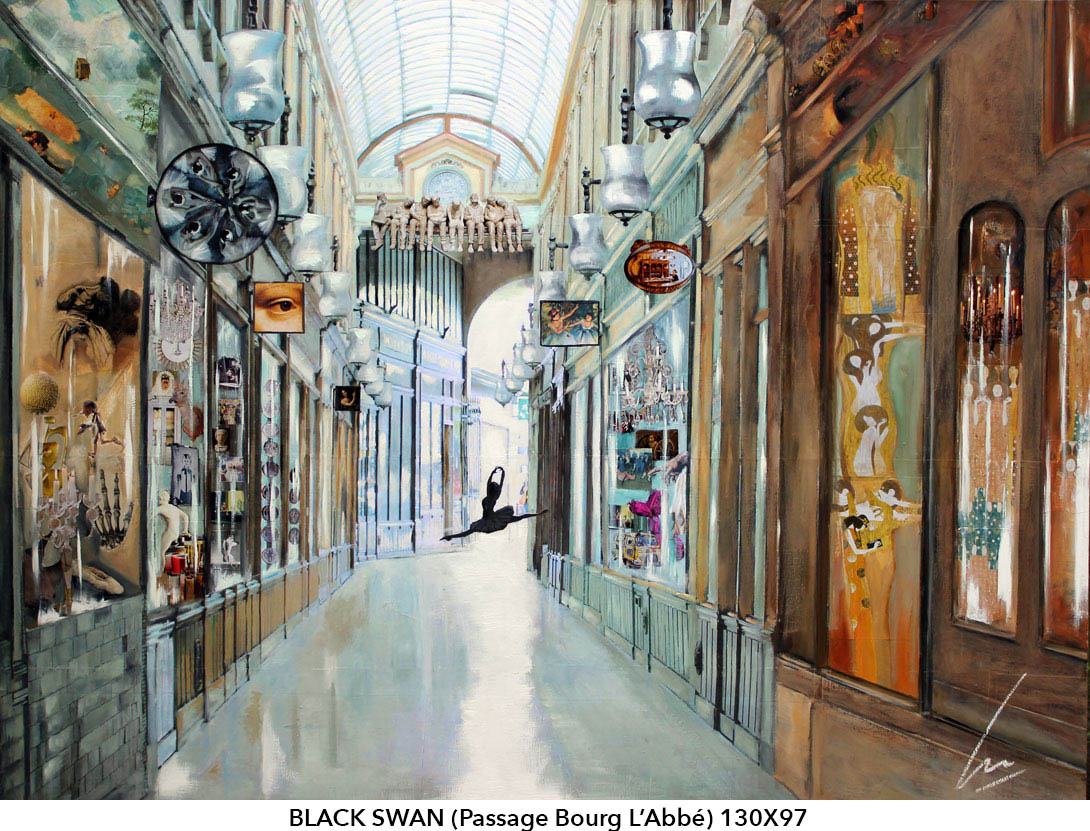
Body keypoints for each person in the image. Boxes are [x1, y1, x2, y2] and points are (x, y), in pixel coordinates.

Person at [441, 467, 546, 540]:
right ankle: (538, 514)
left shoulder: (488, 497)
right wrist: (501, 472)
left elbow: (491, 483)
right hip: (492, 519)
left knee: (469, 531)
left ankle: (450, 537)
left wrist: (493, 473)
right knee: (518, 517)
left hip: (487, 520)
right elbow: (500, 483)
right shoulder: (494, 497)